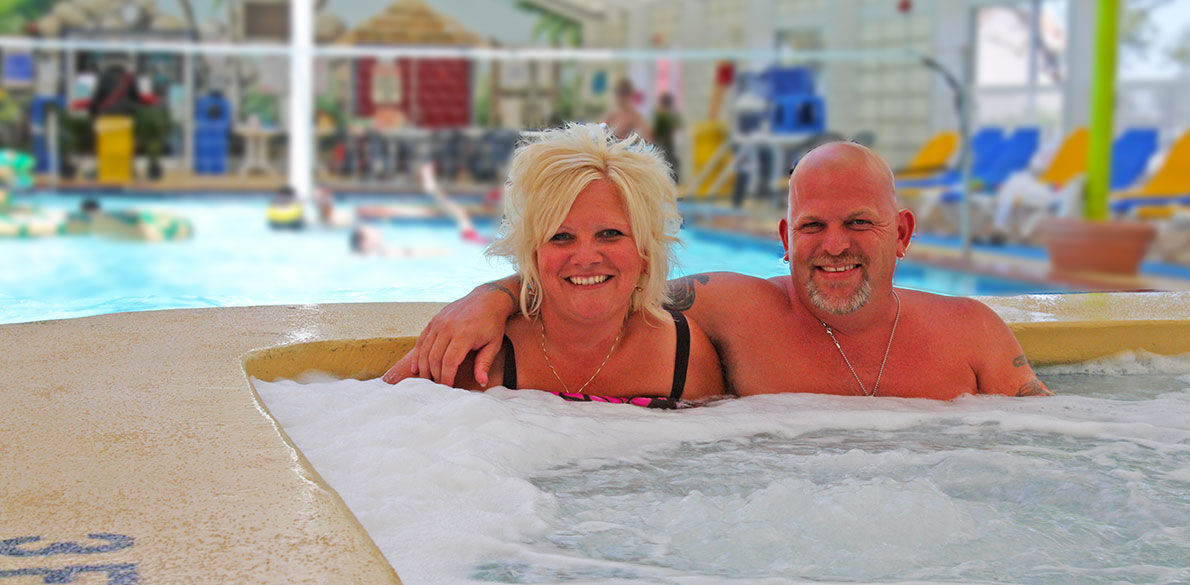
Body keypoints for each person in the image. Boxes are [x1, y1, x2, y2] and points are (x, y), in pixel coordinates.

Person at [404, 141, 1052, 399]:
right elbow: (604, 284)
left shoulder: (973, 333)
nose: (834, 245)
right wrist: (489, 297)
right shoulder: (733, 310)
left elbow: (1064, 452)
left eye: (859, 222)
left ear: (902, 233)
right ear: (784, 238)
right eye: (812, 226)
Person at [383, 123, 725, 407]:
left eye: (610, 233)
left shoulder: (682, 356)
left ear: (646, 253)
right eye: (561, 237)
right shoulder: (482, 352)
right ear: (533, 254)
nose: (586, 256)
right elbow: (374, 425)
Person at [603, 78, 652, 143]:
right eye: (618, 93)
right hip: (612, 150)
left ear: (629, 95)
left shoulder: (633, 115)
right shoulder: (612, 115)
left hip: (626, 150)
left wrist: (633, 140)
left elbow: (648, 136)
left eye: (623, 93)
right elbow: (602, 133)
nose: (620, 97)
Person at [652, 92, 682, 180]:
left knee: (668, 163)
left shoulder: (662, 116)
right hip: (665, 144)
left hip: (665, 144)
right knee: (669, 163)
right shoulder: (665, 115)